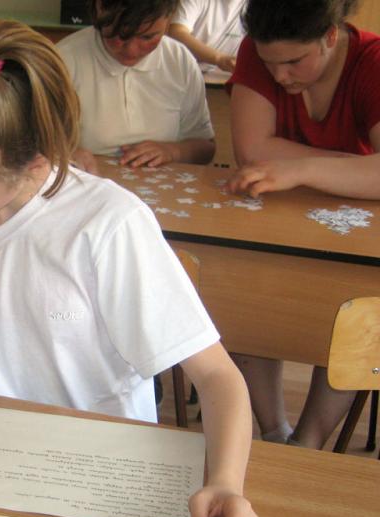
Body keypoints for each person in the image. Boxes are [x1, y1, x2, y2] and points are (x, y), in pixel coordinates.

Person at [0, 18, 263, 517]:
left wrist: (225, 482)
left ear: (35, 163)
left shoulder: (107, 224)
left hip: (103, 466)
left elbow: (219, 377)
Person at [225, 0, 380, 447]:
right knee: (243, 292)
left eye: (294, 61)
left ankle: (308, 442)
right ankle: (275, 431)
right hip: (272, 219)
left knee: (355, 317)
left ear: (331, 36)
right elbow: (253, 152)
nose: (280, 75)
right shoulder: (257, 50)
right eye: (269, 63)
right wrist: (354, 167)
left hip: (358, 230)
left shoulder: (372, 61)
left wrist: (301, 169)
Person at [57, 0, 215, 173]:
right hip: (86, 179)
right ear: (98, 12)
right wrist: (63, 153)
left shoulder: (179, 60)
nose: (131, 50)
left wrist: (173, 152)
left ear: (168, 21)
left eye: (148, 37)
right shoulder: (63, 60)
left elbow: (206, 148)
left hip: (161, 183)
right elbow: (37, 144)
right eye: (119, 35)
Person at [167, 0, 246, 75]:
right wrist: (220, 59)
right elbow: (177, 32)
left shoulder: (251, 6)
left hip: (229, 78)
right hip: (187, 73)